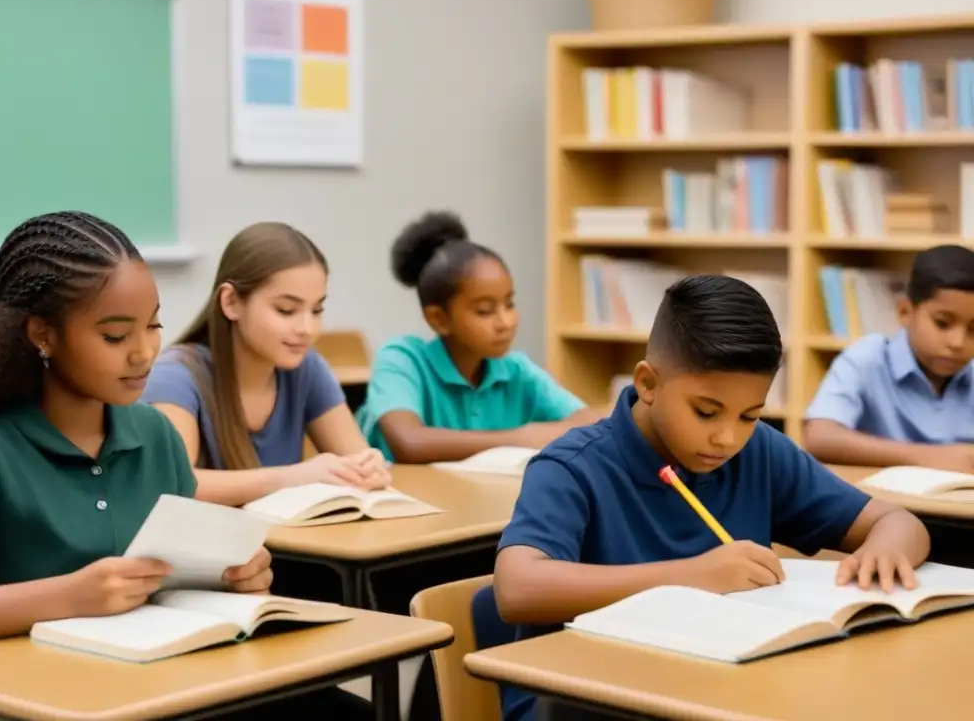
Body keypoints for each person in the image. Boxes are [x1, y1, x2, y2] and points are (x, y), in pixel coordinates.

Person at [0, 212, 371, 718]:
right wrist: (68, 595)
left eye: (153, 326)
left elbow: (174, 568)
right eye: (114, 336)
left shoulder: (153, 434)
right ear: (43, 334)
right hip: (34, 701)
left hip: (161, 686)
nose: (144, 353)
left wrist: (232, 574)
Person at [493, 274, 930, 721]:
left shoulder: (758, 450)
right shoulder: (573, 466)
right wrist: (693, 576)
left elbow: (897, 522)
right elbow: (516, 588)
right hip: (583, 702)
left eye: (750, 414)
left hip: (719, 691)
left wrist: (884, 551)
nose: (727, 438)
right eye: (706, 412)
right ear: (647, 383)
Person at [142, 222, 390, 508]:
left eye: (317, 310)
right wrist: (294, 477)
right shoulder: (175, 375)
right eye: (286, 310)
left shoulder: (307, 366)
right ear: (231, 302)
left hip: (287, 545)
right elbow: (174, 485)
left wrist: (368, 467)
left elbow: (353, 456)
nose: (307, 328)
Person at [355, 210, 602, 464]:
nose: (505, 322)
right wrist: (520, 438)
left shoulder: (516, 369)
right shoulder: (402, 359)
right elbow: (410, 442)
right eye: (485, 311)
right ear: (438, 319)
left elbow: (591, 426)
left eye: (510, 304)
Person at [803, 244, 974, 471]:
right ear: (905, 312)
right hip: (884, 502)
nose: (957, 342)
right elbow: (819, 437)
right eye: (942, 323)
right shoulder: (867, 359)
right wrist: (927, 457)